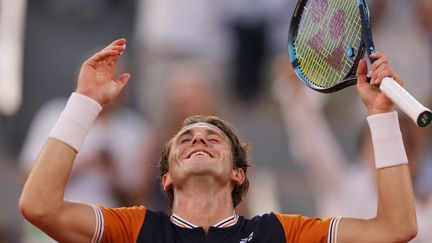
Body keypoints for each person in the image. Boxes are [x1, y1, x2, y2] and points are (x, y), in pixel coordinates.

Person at [19, 38, 418, 242]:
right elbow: (39, 206)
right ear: (166, 180)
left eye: (213, 137)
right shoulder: (136, 229)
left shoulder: (278, 234)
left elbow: (395, 229)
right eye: (185, 138)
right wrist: (84, 103)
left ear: (238, 175)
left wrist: (381, 115)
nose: (198, 139)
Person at [272, 54, 432, 242]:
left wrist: (383, 115)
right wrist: (296, 93)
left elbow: (405, 228)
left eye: (401, 148)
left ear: (413, 158)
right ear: (362, 152)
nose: (380, 156)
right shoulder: (342, 188)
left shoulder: (425, 215)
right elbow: (312, 145)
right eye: (373, 147)